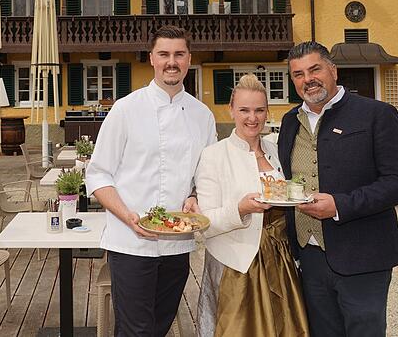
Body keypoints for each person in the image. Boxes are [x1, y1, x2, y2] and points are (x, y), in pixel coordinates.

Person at [277, 41, 398, 337]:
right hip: (310, 253)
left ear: (333, 70)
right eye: (298, 74)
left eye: (315, 69)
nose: (308, 79)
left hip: (363, 253)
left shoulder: (376, 114)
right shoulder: (290, 122)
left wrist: (340, 205)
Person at [85, 25, 217, 337]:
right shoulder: (126, 109)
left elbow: (206, 175)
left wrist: (196, 194)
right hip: (130, 242)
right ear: (152, 59)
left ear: (188, 59)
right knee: (136, 331)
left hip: (177, 245)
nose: (172, 61)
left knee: (158, 328)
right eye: (164, 54)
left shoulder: (202, 115)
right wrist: (128, 216)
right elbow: (99, 173)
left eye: (179, 54)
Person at [196, 74, 308, 337]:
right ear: (231, 110)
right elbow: (206, 225)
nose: (252, 118)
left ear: (267, 111)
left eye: (259, 110)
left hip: (280, 261)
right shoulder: (214, 155)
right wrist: (241, 210)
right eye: (244, 110)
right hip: (236, 264)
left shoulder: (278, 150)